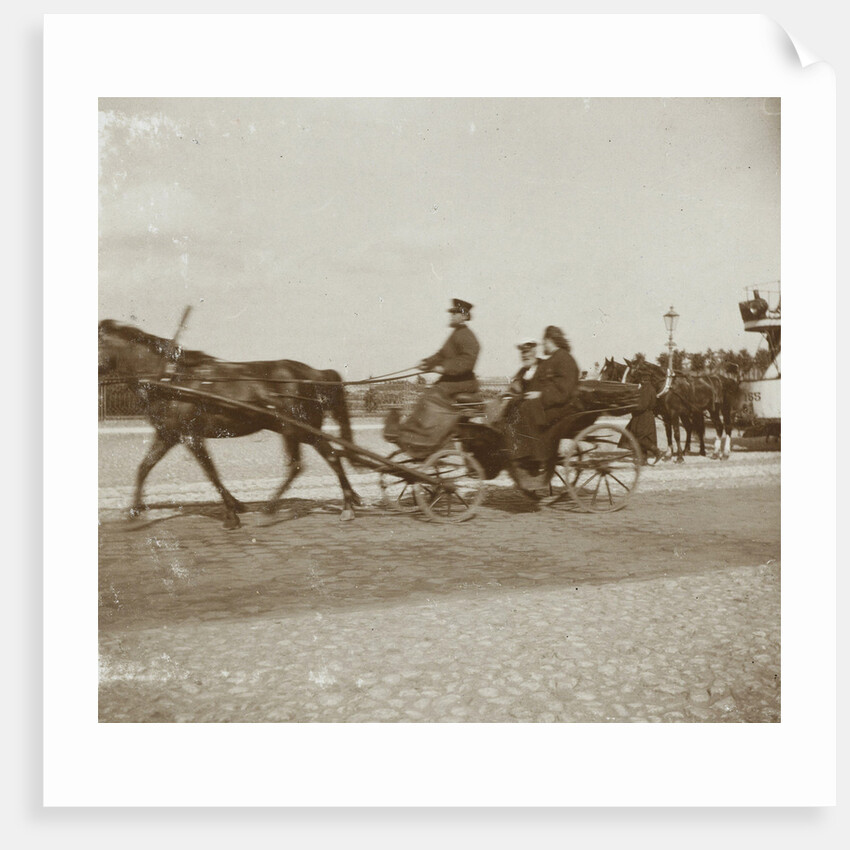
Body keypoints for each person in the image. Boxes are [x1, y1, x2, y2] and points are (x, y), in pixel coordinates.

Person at [505, 325, 580, 474]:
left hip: (564, 407)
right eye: (523, 352)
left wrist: (540, 395)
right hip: (553, 403)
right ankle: (523, 454)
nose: (542, 345)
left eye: (543, 342)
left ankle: (535, 457)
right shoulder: (554, 359)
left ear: (550, 340)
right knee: (519, 406)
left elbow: (563, 390)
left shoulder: (562, 359)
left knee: (526, 408)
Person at [417, 298, 481, 402]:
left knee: (433, 397)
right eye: (452, 313)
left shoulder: (467, 335)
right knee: (429, 395)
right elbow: (441, 355)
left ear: (464, 316)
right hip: (453, 381)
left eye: (456, 313)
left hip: (464, 382)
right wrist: (426, 363)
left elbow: (467, 361)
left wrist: (444, 368)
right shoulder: (456, 333)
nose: (452, 315)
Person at [622, 379, 659, 464]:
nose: (641, 380)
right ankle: (644, 459)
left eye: (643, 378)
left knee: (640, 437)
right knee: (643, 437)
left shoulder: (647, 389)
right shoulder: (649, 388)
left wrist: (632, 407)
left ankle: (656, 451)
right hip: (644, 416)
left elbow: (643, 405)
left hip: (643, 416)